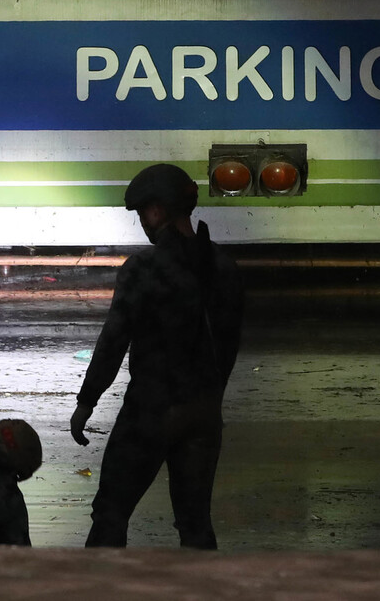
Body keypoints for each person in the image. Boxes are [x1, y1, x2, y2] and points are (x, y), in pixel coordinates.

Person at [70, 163, 244, 549]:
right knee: (195, 524)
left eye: (142, 214)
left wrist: (87, 401)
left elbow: (113, 341)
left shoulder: (144, 268)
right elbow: (229, 344)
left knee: (111, 513)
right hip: (203, 413)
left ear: (156, 211)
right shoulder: (224, 267)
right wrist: (211, 397)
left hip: (150, 411)